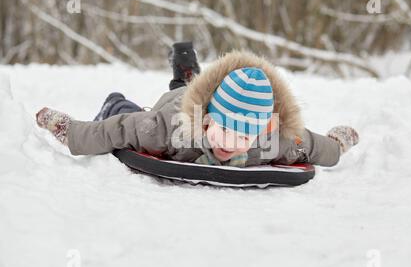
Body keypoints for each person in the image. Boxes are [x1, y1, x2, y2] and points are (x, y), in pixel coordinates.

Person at [35, 42, 359, 168]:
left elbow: (309, 145)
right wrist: (69, 130)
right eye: (225, 133)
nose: (230, 145)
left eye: (243, 137)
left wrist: (336, 143)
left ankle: (189, 75)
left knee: (190, 86)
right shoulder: (168, 128)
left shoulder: (271, 139)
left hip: (207, 101)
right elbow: (121, 131)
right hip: (176, 107)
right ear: (207, 123)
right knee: (133, 116)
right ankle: (118, 100)